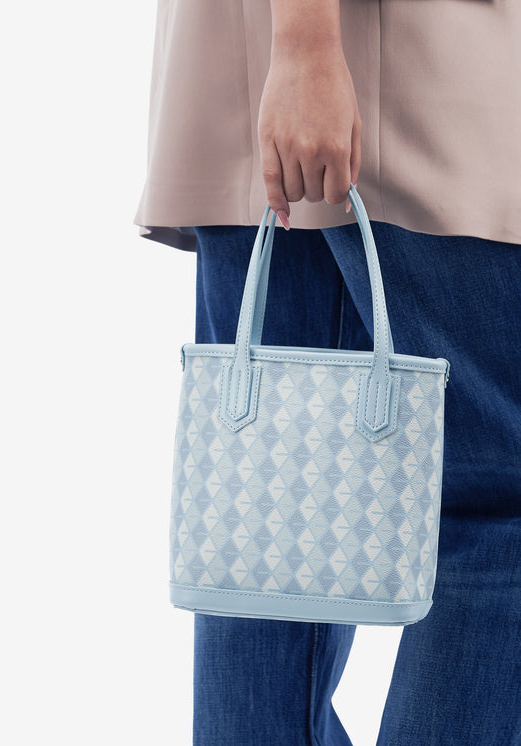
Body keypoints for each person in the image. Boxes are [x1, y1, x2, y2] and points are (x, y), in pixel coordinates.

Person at [134, 1, 521, 743]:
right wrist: (305, 47)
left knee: (261, 527)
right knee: (497, 502)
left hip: (263, 71)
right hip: (402, 62)